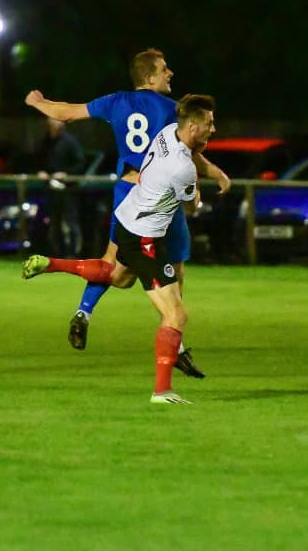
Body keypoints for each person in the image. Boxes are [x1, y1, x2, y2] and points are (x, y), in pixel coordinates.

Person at [24, 48, 230, 377]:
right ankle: (174, 349)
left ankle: (84, 311)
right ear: (149, 77)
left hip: (126, 190)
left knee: (115, 267)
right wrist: (215, 174)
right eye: (164, 69)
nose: (170, 73)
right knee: (171, 269)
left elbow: (67, 113)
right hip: (162, 196)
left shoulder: (116, 101)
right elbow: (188, 151)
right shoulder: (170, 109)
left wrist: (39, 103)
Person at [37, 116, 85, 257]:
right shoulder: (45, 142)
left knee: (71, 222)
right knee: (54, 222)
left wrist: (66, 174)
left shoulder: (70, 142)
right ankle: (56, 253)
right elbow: (38, 160)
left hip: (68, 189)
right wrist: (41, 172)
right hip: (51, 189)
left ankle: (74, 254)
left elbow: (80, 163)